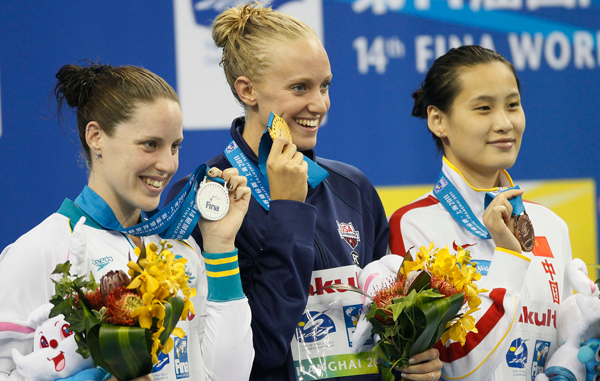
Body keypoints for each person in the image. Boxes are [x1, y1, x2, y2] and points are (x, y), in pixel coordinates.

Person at [166, 3, 442, 380]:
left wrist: (410, 358)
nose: (320, 104)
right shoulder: (206, 198)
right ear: (247, 90)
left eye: (325, 85)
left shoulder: (353, 187)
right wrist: (287, 210)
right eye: (300, 87)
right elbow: (259, 349)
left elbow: (387, 323)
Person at [0, 62, 254, 381]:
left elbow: (230, 376)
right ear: (96, 137)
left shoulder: (180, 247)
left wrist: (220, 246)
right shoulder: (39, 252)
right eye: (150, 144)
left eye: (175, 146)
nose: (167, 164)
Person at [381, 45, 572, 380]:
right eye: (483, 108)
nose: (504, 123)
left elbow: (568, 347)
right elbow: (453, 366)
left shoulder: (551, 226)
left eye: (513, 105)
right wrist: (509, 255)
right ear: (438, 120)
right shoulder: (414, 225)